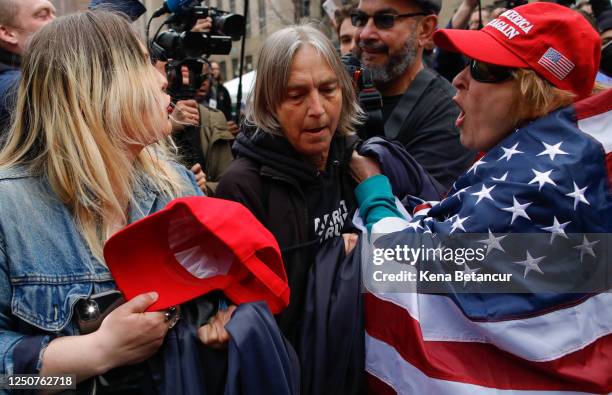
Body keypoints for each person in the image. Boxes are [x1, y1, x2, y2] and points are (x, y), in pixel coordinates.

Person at [351, 4, 610, 390]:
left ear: (534, 90)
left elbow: (401, 258)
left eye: (483, 68)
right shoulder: (550, 155)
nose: (458, 79)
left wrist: (371, 185)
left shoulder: (537, 178)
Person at [0, 11, 230, 392]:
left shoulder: (176, 184)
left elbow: (220, 291)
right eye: (142, 64)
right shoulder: (10, 209)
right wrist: (96, 352)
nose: (162, 79)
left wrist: (224, 319)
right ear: (96, 87)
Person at [216, 25, 363, 347]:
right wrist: (341, 256)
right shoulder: (242, 188)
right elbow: (259, 313)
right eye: (296, 96)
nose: (317, 109)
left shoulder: (357, 162)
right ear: (269, 103)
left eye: (328, 90)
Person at [352, 0, 475, 189]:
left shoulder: (448, 114)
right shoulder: (336, 92)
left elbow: (419, 208)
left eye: (385, 20)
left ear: (425, 29)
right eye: (360, 19)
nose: (365, 34)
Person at [171, 60, 235, 196]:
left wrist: (205, 188)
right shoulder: (150, 123)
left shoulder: (214, 118)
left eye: (204, 77)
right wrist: (169, 127)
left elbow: (229, 182)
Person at [0, 0, 55, 134]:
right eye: (42, 15)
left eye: (54, 14)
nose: (55, 21)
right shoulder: (13, 88)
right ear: (7, 33)